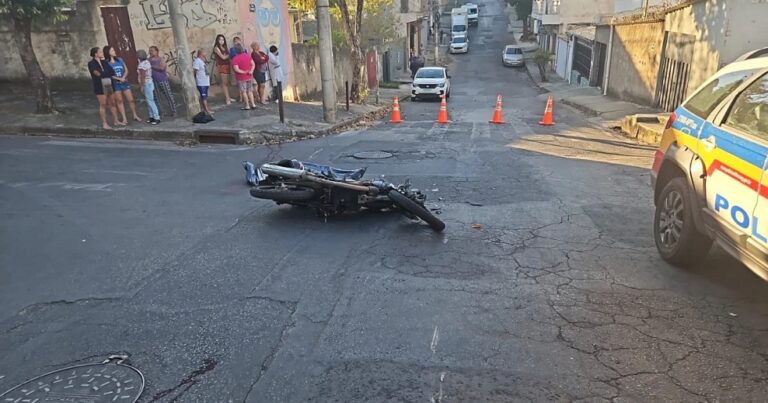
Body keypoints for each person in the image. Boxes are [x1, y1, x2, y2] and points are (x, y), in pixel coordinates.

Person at [104, 45, 141, 124]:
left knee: (131, 99)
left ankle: (135, 115)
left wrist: (123, 77)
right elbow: (109, 75)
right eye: (112, 51)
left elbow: (126, 70)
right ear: (108, 53)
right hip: (116, 84)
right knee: (120, 101)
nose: (114, 52)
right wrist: (119, 79)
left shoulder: (120, 60)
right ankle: (124, 118)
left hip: (124, 82)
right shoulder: (106, 63)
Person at [87, 47, 118, 129]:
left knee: (112, 102)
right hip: (99, 85)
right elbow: (97, 73)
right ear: (95, 54)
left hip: (109, 83)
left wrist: (104, 73)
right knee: (103, 104)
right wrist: (105, 73)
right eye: (100, 52)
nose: (102, 53)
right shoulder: (91, 63)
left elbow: (111, 71)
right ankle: (105, 123)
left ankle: (116, 120)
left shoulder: (104, 62)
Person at [148, 46, 176, 117]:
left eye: (152, 50)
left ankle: (173, 111)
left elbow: (162, 68)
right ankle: (162, 111)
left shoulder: (161, 59)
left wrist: (152, 66)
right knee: (157, 97)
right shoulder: (148, 60)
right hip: (153, 81)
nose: (151, 52)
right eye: (150, 51)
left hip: (162, 80)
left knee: (168, 95)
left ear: (157, 51)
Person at [137, 49, 160, 125]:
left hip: (146, 83)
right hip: (150, 82)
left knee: (150, 101)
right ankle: (152, 116)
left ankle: (156, 117)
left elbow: (142, 76)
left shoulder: (141, 65)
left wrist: (141, 86)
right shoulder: (147, 62)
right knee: (149, 100)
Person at [231, 44, 256, 110]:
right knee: (250, 91)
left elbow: (236, 69)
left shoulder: (235, 59)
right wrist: (251, 71)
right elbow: (253, 64)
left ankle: (247, 105)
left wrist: (243, 72)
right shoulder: (248, 56)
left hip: (241, 78)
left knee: (244, 92)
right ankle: (253, 104)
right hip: (249, 76)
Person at [213, 34, 235, 105]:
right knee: (224, 83)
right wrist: (230, 54)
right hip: (222, 66)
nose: (221, 41)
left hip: (228, 65)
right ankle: (227, 98)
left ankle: (228, 96)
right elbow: (223, 57)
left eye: (222, 39)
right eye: (220, 39)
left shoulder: (225, 47)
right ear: (217, 40)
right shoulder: (216, 48)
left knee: (228, 82)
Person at [193, 48, 213, 115]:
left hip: (205, 82)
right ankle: (207, 110)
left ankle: (204, 109)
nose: (206, 54)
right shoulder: (197, 61)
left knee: (204, 97)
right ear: (201, 53)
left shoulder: (202, 61)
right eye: (204, 52)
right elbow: (195, 71)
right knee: (204, 97)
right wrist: (195, 79)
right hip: (201, 82)